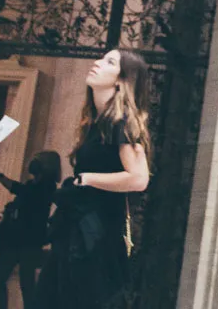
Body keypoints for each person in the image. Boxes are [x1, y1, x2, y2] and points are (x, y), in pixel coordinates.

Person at [41, 49, 153, 309]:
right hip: (80, 229)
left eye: (109, 62)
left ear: (121, 80)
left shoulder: (121, 123)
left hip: (96, 235)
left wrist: (88, 179)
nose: (97, 63)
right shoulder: (98, 122)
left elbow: (139, 179)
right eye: (101, 58)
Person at [0, 151, 61, 309]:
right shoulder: (35, 184)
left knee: (25, 283)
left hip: (29, 240)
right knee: (4, 280)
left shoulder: (46, 187)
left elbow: (20, 191)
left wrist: (0, 177)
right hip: (18, 239)